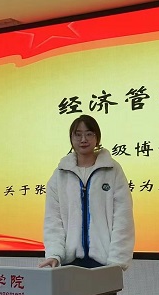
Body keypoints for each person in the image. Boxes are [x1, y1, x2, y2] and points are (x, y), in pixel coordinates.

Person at [38, 114, 135, 270]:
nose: (83, 139)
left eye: (89, 134)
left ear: (97, 138)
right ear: (71, 138)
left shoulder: (112, 170)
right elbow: (53, 220)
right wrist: (54, 254)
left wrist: (117, 261)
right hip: (70, 262)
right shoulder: (60, 174)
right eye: (78, 134)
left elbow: (123, 218)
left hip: (105, 263)